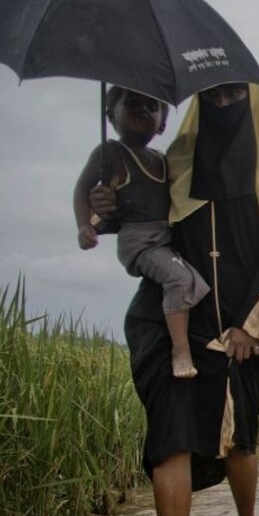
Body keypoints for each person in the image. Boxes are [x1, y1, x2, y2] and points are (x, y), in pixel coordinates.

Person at [92, 82, 259, 516]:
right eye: (212, 97)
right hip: (170, 321)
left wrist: (253, 323)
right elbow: (141, 221)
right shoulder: (176, 160)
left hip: (239, 324)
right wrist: (104, 207)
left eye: (233, 96)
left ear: (254, 101)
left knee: (239, 440)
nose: (222, 105)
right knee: (169, 440)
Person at [73, 86, 208, 379]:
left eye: (151, 106)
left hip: (164, 238)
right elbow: (82, 188)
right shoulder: (111, 153)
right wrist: (85, 224)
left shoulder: (161, 160)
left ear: (162, 125)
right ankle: (180, 350)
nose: (142, 110)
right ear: (111, 114)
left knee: (195, 281)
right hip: (140, 241)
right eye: (132, 103)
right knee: (180, 279)